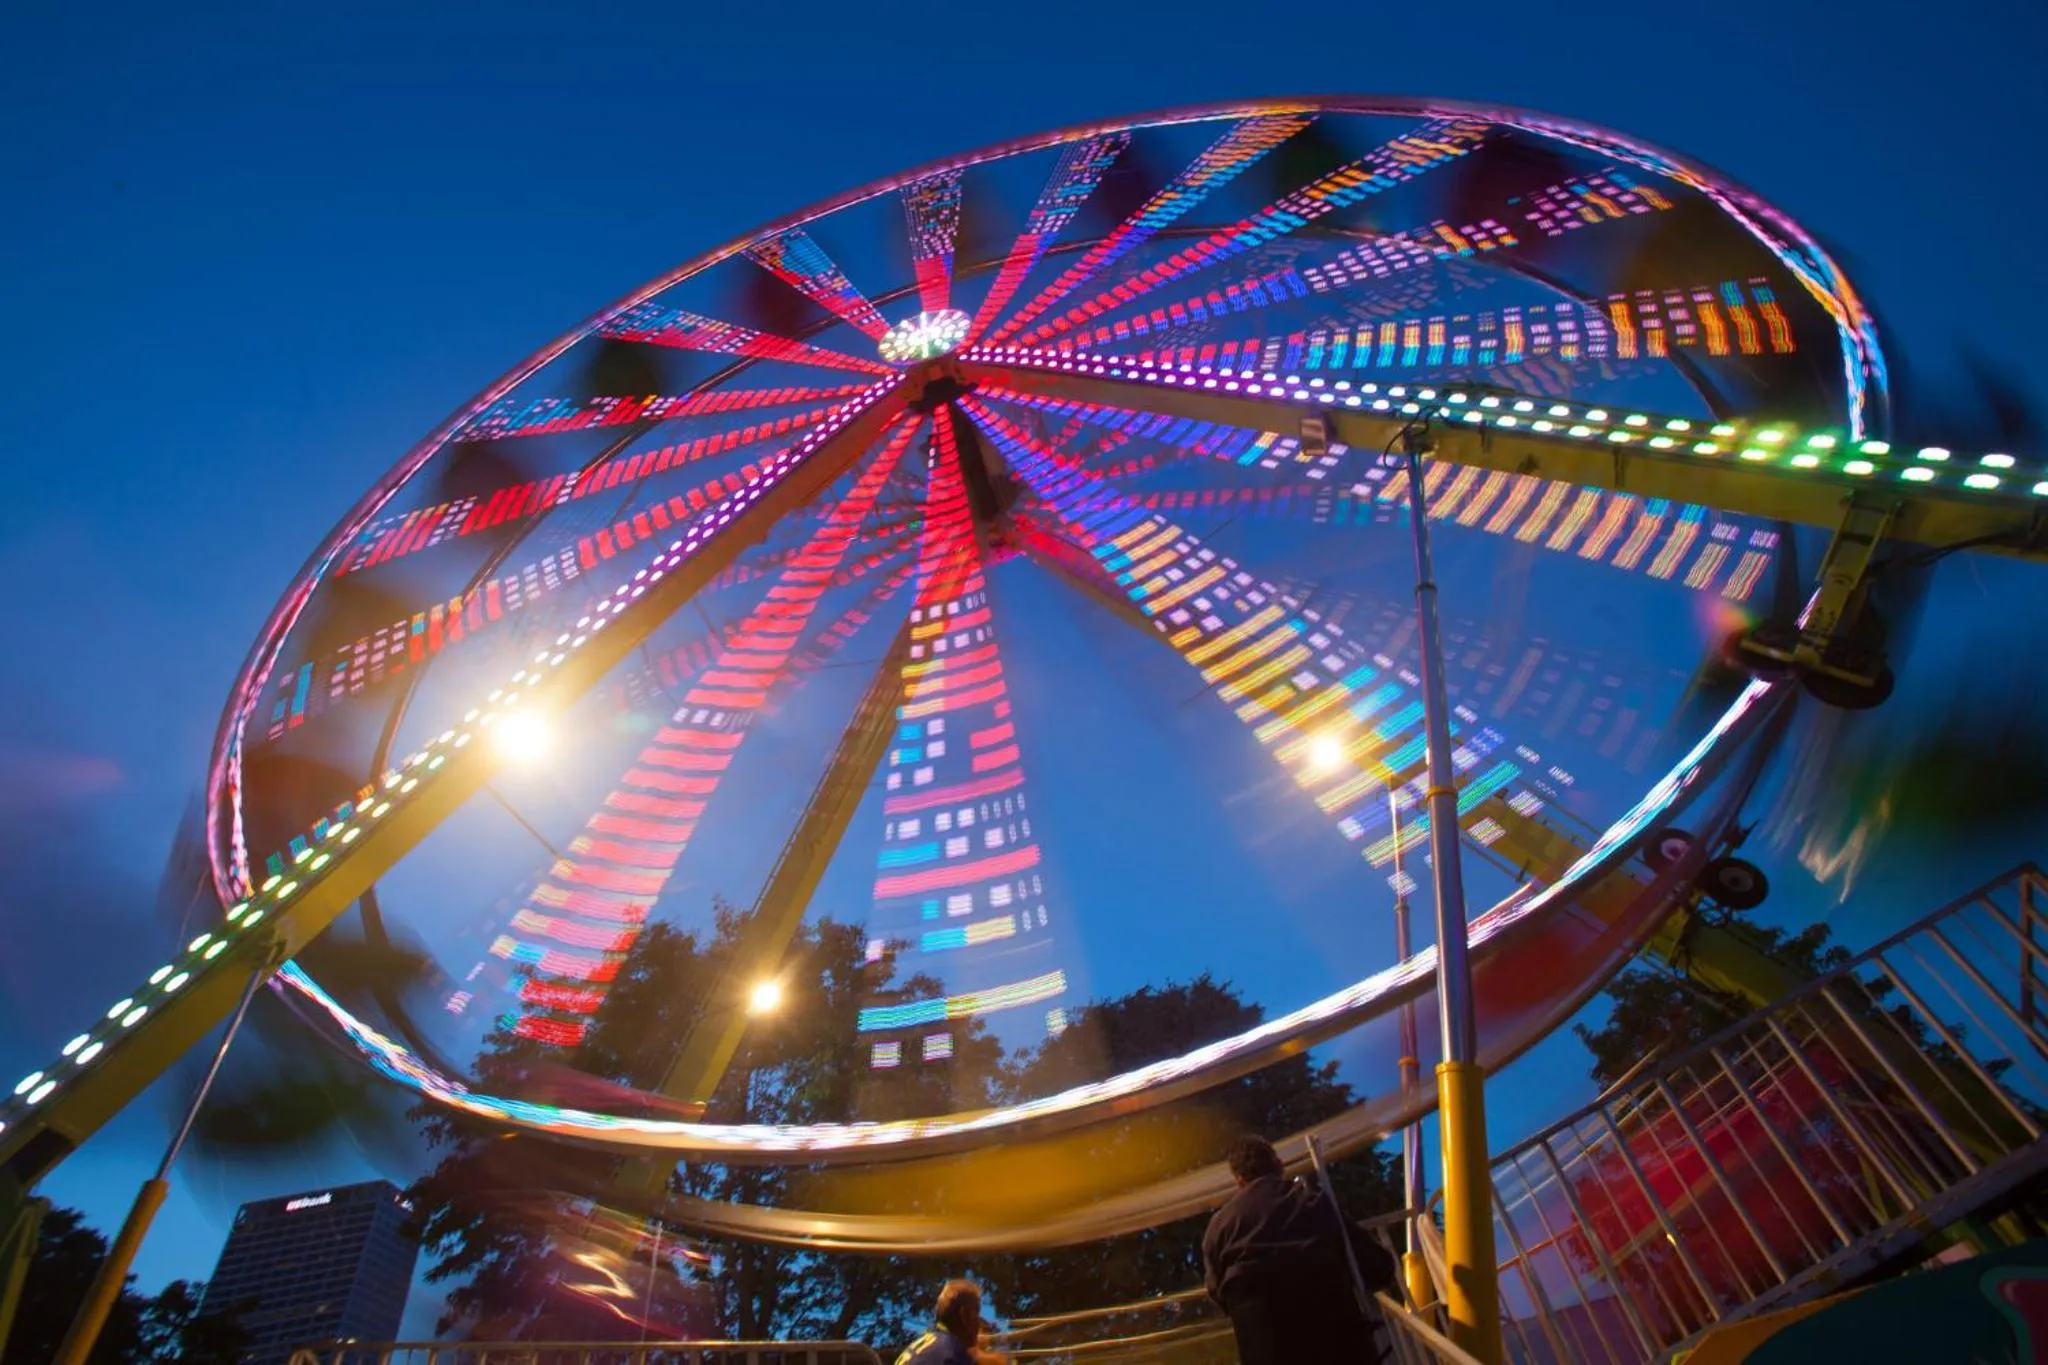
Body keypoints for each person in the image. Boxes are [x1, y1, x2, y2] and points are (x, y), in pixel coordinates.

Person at [1201, 1135, 1397, 1364]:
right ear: (1278, 1165)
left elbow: (1218, 1293)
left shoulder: (1219, 1227)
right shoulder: (1310, 1200)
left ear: (1239, 1179)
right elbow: (1375, 1264)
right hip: (1339, 1347)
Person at [896, 1278, 1006, 1365]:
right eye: (976, 1313)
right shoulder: (953, 1354)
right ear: (964, 1315)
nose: (979, 1323)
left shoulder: (927, 1342)